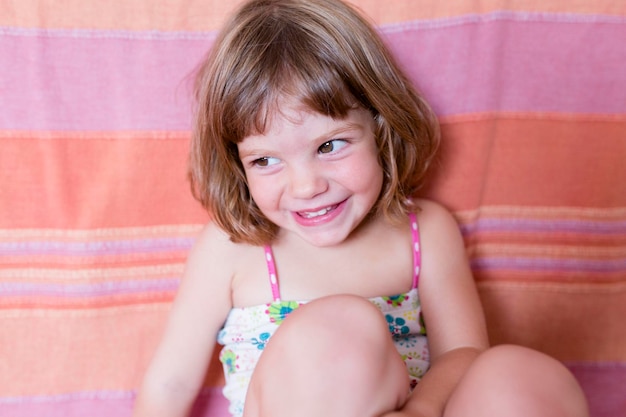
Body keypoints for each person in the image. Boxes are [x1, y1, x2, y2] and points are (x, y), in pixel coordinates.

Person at [133, 0, 590, 416]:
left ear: (381, 126)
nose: (307, 186)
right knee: (335, 330)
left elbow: (463, 353)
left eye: (330, 145)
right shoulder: (234, 248)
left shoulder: (423, 232)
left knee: (520, 376)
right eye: (266, 160)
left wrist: (420, 409)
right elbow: (170, 384)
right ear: (237, 163)